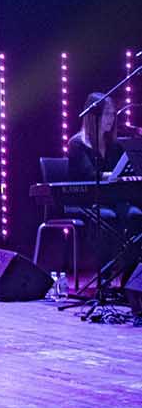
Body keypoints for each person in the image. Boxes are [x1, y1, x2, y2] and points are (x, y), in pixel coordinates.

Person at [67, 92, 142, 279]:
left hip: (111, 198)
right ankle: (105, 278)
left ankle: (129, 279)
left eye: (113, 114)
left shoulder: (114, 145)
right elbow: (88, 175)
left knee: (135, 215)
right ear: (94, 116)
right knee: (107, 218)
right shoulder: (77, 144)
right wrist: (113, 175)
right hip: (85, 200)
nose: (111, 119)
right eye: (107, 114)